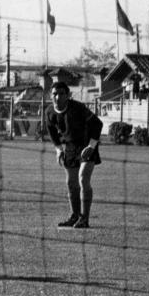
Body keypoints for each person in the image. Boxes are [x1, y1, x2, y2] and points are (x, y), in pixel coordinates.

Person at [45, 81, 102, 229]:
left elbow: (97, 124)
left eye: (61, 94)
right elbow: (51, 132)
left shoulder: (78, 108)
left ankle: (84, 219)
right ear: (50, 95)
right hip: (70, 148)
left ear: (68, 95)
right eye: (54, 94)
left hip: (87, 146)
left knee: (83, 179)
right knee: (71, 183)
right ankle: (74, 216)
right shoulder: (50, 112)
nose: (57, 97)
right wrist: (58, 149)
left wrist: (91, 146)